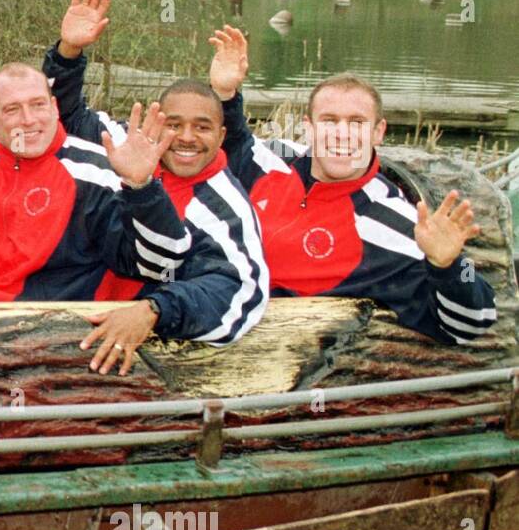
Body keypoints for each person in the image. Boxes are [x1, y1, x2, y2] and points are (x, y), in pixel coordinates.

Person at [0, 45, 193, 375]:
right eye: (12, 109)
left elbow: (162, 264)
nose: (29, 120)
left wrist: (142, 188)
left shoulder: (96, 174)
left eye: (38, 105)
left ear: (55, 108)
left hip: (47, 347)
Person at [208, 25, 497, 344]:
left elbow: (473, 326)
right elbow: (232, 144)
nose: (342, 134)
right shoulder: (274, 160)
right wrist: (224, 94)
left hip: (270, 361)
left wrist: (447, 266)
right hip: (195, 301)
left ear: (378, 132)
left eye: (356, 123)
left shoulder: (393, 224)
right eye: (329, 120)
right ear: (309, 127)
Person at [42, 0, 269, 358]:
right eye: (174, 124)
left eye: (202, 127)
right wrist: (69, 53)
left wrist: (154, 310)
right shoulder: (129, 147)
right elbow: (65, 118)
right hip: (82, 310)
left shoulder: (225, 207)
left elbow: (241, 290)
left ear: (222, 133)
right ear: (156, 121)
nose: (186, 138)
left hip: (138, 343)